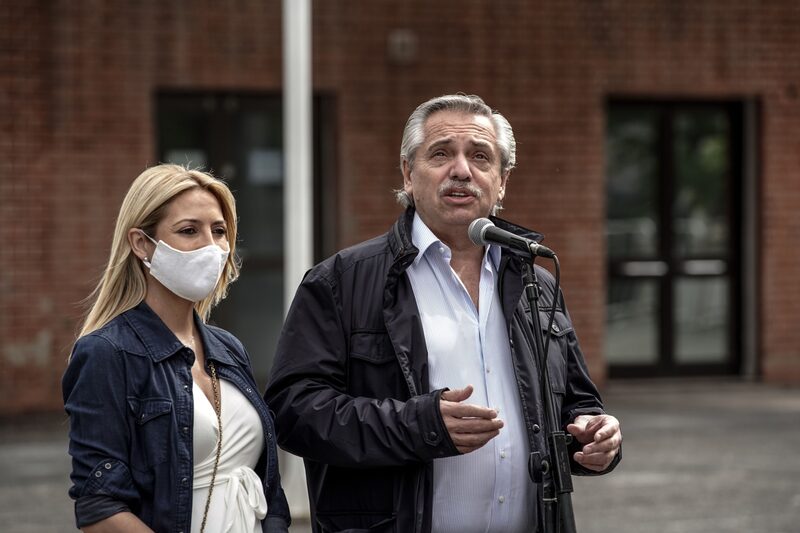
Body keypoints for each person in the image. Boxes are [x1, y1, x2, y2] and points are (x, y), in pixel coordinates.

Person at [264, 94, 622, 533]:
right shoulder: (340, 281)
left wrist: (593, 435)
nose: (461, 170)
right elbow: (294, 411)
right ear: (407, 174)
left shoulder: (537, 283)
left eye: (480, 156)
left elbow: (576, 403)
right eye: (440, 154)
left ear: (502, 180)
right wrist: (419, 425)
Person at [63, 164, 291, 533]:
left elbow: (269, 489)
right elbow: (99, 508)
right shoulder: (107, 353)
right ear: (142, 243)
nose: (211, 246)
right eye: (189, 230)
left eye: (219, 231)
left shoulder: (228, 348)